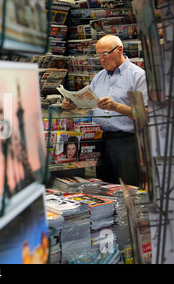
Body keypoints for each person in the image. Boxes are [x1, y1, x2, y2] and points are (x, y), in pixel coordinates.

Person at [62, 35, 148, 187]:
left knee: (128, 190)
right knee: (104, 188)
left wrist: (116, 107)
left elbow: (145, 115)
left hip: (127, 142)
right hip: (100, 141)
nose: (101, 59)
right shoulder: (99, 77)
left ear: (120, 50)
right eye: (98, 55)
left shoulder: (137, 76)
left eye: (105, 54)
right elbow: (90, 108)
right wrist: (74, 105)